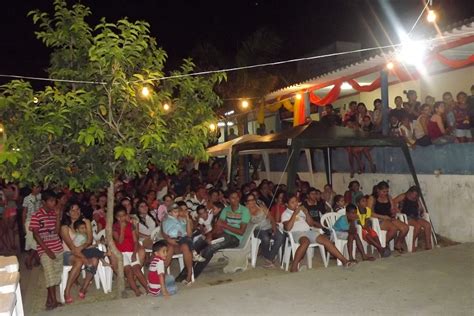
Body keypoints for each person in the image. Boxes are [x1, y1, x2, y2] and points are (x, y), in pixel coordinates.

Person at [176, 190, 250, 280]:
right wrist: (210, 236)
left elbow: (241, 232)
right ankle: (185, 272)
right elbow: (218, 226)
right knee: (198, 244)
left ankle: (193, 274)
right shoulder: (226, 210)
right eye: (233, 198)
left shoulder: (244, 211)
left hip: (235, 238)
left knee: (210, 248)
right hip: (223, 234)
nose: (236, 199)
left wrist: (225, 226)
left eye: (237, 197)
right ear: (228, 200)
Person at [282, 195, 354, 271]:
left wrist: (306, 213)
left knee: (325, 240)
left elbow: (310, 223)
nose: (295, 203)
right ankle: (294, 266)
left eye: (296, 201)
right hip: (296, 233)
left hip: (308, 231)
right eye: (292, 202)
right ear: (287, 204)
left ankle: (344, 261)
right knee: (305, 241)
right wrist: (294, 214)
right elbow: (287, 228)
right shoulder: (285, 214)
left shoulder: (300, 211)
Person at [29, 190, 64, 310]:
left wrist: (58, 216)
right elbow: (35, 234)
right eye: (51, 201)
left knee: (56, 275)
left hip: (58, 247)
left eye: (54, 200)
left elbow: (56, 231)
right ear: (44, 202)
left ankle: (49, 301)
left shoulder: (54, 213)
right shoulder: (37, 215)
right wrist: (47, 250)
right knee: (49, 274)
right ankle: (53, 301)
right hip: (45, 249)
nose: (54, 203)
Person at [60, 202, 99, 302]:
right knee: (79, 261)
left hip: (84, 249)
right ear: (68, 213)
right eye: (72, 210)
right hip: (68, 253)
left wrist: (81, 247)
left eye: (77, 209)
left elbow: (89, 240)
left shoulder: (86, 222)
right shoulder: (65, 227)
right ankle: (67, 291)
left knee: (95, 260)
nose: (75, 212)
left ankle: (84, 288)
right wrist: (84, 258)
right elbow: (71, 247)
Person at [162, 203, 205, 285]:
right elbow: (165, 234)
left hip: (183, 241)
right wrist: (170, 239)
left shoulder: (183, 220)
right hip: (172, 242)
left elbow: (189, 234)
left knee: (185, 246)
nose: (185, 212)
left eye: (186, 210)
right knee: (171, 246)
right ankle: (162, 273)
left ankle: (189, 274)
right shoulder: (166, 220)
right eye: (182, 210)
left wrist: (188, 220)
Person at [113, 206, 148, 296]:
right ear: (116, 217)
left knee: (137, 269)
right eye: (119, 216)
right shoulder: (115, 227)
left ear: (126, 215)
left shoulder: (130, 225)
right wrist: (122, 229)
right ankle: (136, 291)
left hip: (131, 251)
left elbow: (135, 241)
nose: (122, 218)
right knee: (128, 270)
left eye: (124, 215)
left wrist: (134, 253)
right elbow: (120, 242)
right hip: (121, 253)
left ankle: (148, 288)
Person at [368, 181, 409, 253]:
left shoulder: (389, 197)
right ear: (378, 190)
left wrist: (393, 212)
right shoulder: (372, 198)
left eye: (387, 191)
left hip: (389, 218)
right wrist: (383, 217)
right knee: (393, 229)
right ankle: (383, 245)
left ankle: (397, 244)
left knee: (405, 228)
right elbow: (369, 213)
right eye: (383, 192)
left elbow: (392, 209)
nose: (385, 193)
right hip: (378, 220)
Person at [246, 193, 284, 268]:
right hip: (257, 230)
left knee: (280, 237)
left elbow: (271, 217)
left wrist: (273, 227)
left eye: (253, 200)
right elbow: (248, 224)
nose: (252, 202)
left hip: (269, 227)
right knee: (266, 238)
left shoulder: (261, 207)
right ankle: (269, 257)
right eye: (249, 200)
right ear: (246, 202)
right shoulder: (245, 210)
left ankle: (269, 258)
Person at [393, 186, 433, 251]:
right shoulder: (403, 196)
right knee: (417, 226)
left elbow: (420, 207)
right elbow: (393, 202)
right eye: (413, 194)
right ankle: (412, 243)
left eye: (416, 195)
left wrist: (421, 210)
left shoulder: (416, 198)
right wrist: (398, 211)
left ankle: (428, 245)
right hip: (406, 217)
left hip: (415, 216)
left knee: (427, 225)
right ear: (409, 192)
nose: (414, 196)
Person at [22, 184, 42, 269]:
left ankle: (34, 259)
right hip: (30, 221)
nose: (38, 189)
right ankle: (30, 260)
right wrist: (23, 224)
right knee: (34, 241)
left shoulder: (41, 196)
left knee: (37, 241)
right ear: (31, 187)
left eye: (39, 187)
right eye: (36, 187)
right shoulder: (27, 198)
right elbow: (24, 212)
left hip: (39, 220)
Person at [2, 183, 19, 251]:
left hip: (12, 208)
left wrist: (16, 188)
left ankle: (13, 244)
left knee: (11, 226)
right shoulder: (2, 188)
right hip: (4, 209)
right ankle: (10, 245)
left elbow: (16, 198)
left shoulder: (14, 187)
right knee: (6, 228)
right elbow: (4, 201)